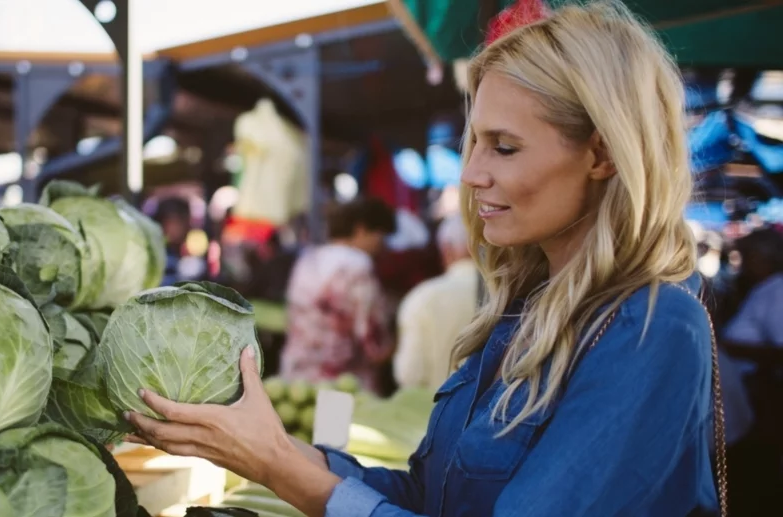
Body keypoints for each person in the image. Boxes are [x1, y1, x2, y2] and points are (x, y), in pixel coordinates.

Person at [123, 3, 722, 516]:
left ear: (602, 154)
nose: (470, 174)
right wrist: (266, 446)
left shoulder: (655, 329)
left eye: (504, 147)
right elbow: (426, 496)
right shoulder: (521, 317)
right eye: (474, 142)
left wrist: (279, 463)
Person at [272, 197, 397, 394]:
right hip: (340, 388)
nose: (382, 246)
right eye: (380, 236)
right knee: (332, 426)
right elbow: (374, 343)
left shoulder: (309, 258)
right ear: (361, 229)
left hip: (294, 381)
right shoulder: (358, 266)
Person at [393, 213, 483, 391]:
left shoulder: (422, 298)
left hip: (433, 412)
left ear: (446, 249)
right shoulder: (515, 294)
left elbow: (409, 374)